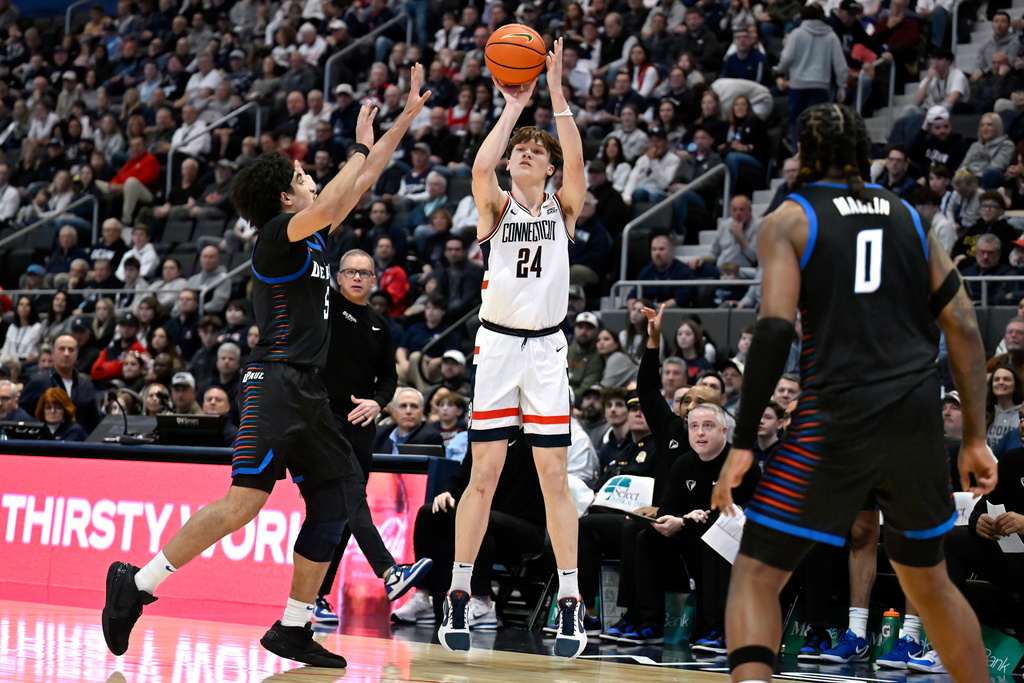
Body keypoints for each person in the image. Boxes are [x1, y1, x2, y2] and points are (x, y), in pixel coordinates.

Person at [100, 64, 432, 668]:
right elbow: (340, 190)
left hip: (306, 390)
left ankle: (294, 626)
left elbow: (357, 185)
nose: (313, 182)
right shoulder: (279, 235)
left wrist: (403, 123)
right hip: (274, 383)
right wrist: (357, 144)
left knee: (334, 501)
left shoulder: (313, 236)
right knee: (243, 504)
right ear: (286, 196)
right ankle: (138, 583)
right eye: (303, 176)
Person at [711, 103, 997, 683]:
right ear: (862, 151)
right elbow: (965, 328)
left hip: (836, 414)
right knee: (930, 583)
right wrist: (973, 435)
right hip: (917, 416)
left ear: (804, 154)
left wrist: (743, 442)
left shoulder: (790, 218)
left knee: (757, 575)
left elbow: (771, 330)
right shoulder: (908, 217)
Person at [441, 39, 589, 659]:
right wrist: (511, 107)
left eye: (534, 154)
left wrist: (554, 96)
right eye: (518, 153)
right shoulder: (495, 206)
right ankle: (458, 589)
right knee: (485, 475)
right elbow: (479, 168)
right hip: (498, 349)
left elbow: (575, 155)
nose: (523, 157)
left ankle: (572, 601)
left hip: (547, 352)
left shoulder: (565, 206)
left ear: (547, 169)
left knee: (555, 476)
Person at [314, 248, 432, 623]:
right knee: (349, 500)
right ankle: (389, 572)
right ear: (338, 276)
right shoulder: (325, 306)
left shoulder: (381, 324)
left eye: (365, 273)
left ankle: (313, 596)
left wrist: (378, 404)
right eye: (350, 271)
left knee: (342, 514)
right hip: (325, 419)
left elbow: (390, 379)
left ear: (375, 280)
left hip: (362, 426)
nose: (357, 278)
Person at [18, 334, 101, 433]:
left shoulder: (85, 384)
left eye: (71, 350)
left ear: (77, 353)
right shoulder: (39, 381)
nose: (66, 354)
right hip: (47, 444)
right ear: (53, 353)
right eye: (62, 349)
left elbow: (94, 420)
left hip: (79, 443)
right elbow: (21, 411)